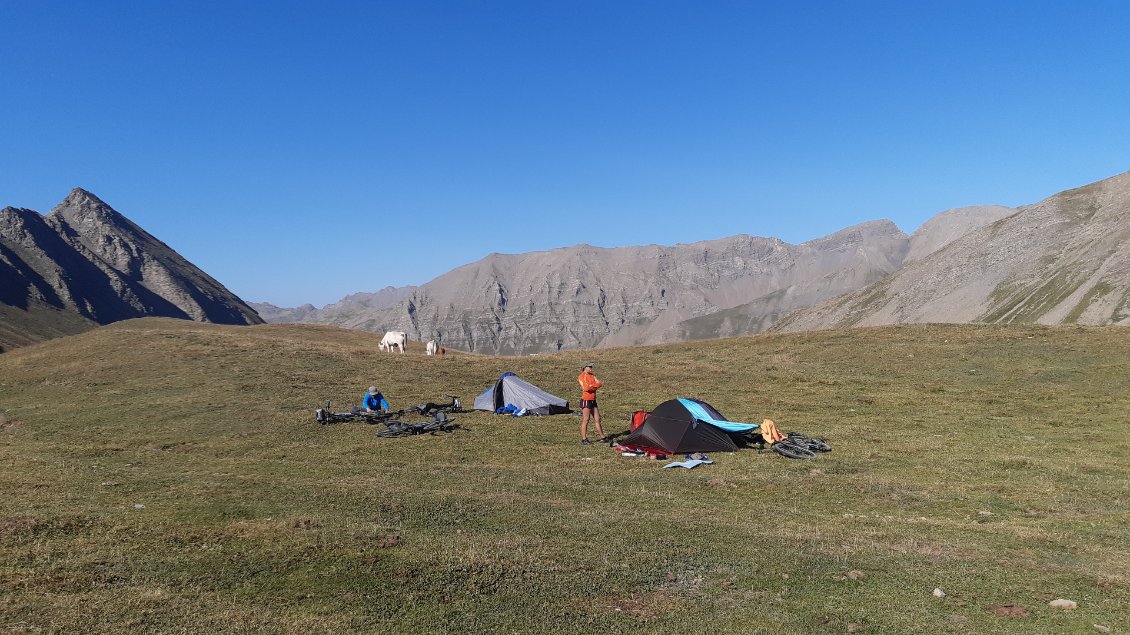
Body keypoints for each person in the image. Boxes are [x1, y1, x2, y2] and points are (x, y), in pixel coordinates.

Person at [577, 363, 605, 445]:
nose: (591, 368)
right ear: (585, 368)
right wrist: (594, 386)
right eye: (589, 367)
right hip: (586, 400)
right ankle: (584, 439)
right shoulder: (582, 376)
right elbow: (586, 388)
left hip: (593, 400)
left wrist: (592, 386)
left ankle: (603, 437)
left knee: (598, 419)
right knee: (586, 420)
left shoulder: (592, 375)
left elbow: (600, 383)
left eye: (591, 366)